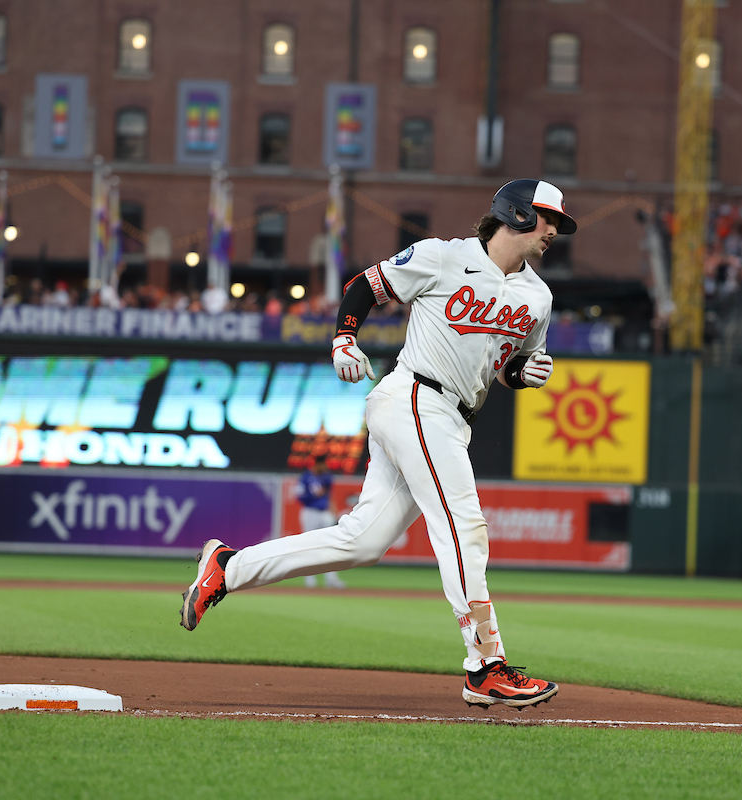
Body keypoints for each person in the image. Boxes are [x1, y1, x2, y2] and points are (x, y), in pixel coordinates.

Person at [180, 179, 570, 709]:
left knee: (362, 541)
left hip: (453, 417)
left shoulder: (538, 297)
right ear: (517, 213)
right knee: (463, 525)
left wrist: (523, 374)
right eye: (548, 218)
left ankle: (229, 568)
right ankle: (486, 665)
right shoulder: (443, 257)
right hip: (416, 397)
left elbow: (506, 368)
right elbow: (365, 285)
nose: (554, 230)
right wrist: (344, 338)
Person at [294, 459, 345, 589]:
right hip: (310, 511)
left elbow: (329, 495)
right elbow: (299, 496)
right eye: (322, 464)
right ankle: (310, 580)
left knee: (330, 544)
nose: (325, 467)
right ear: (316, 464)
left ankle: (331, 579)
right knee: (309, 545)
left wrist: (334, 511)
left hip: (324, 512)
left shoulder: (326, 477)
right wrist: (314, 495)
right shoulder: (306, 477)